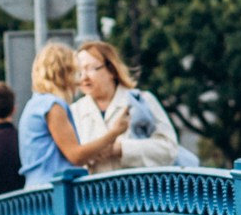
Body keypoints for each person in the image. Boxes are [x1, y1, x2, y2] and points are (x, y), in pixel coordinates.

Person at [72, 41, 182, 171]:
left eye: (90, 68)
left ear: (111, 70)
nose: (84, 77)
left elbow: (169, 149)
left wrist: (121, 149)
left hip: (137, 189)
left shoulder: (141, 101)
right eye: (79, 71)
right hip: (95, 190)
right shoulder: (74, 112)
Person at [17, 43, 110, 186]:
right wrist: (114, 133)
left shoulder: (34, 104)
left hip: (36, 189)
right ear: (64, 73)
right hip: (55, 191)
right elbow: (75, 155)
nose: (78, 80)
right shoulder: (52, 105)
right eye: (76, 72)